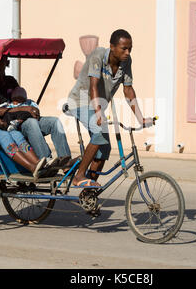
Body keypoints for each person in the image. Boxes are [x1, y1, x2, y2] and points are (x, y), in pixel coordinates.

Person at [66, 29, 154, 188]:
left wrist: (140, 118)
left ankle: (89, 190)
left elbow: (128, 90)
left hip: (96, 106)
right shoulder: (98, 55)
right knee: (99, 133)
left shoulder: (126, 61)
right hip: (80, 101)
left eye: (130, 48)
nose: (127, 52)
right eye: (124, 48)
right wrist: (99, 113)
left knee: (105, 147)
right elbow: (93, 85)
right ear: (112, 47)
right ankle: (79, 176)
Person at [0, 58, 73, 168]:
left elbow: (21, 97)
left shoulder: (11, 80)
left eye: (1, 62)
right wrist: (25, 109)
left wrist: (31, 107)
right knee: (31, 122)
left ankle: (66, 162)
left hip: (24, 116)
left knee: (54, 122)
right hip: (9, 123)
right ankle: (46, 159)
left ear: (7, 63)